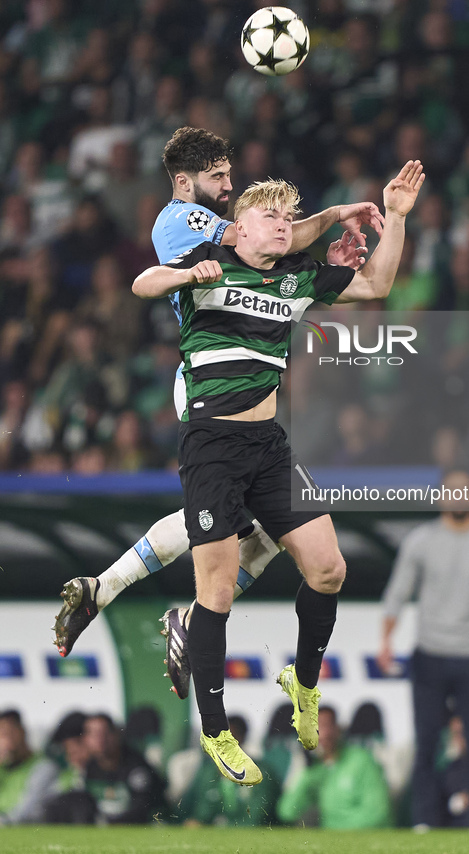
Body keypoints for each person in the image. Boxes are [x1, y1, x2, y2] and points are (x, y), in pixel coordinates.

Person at [53, 126, 385, 702]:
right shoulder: (182, 220)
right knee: (232, 513)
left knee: (256, 523)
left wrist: (326, 229)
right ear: (185, 182)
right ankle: (145, 602)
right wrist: (330, 216)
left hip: (224, 373)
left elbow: (275, 246)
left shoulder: (204, 221)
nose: (230, 186)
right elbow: (266, 241)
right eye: (219, 177)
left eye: (230, 175)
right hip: (211, 382)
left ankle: (106, 589)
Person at [131, 161, 425, 785]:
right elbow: (142, 283)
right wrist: (188, 273)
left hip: (268, 445)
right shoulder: (211, 258)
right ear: (238, 230)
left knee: (328, 568)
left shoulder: (296, 276)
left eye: (289, 219)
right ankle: (216, 731)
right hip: (211, 442)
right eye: (270, 216)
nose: (283, 226)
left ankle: (304, 681)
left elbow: (375, 287)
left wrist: (394, 217)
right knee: (215, 590)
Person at [377, 468, 469, 828]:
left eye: (465, 491)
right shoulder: (421, 541)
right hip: (430, 653)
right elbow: (397, 593)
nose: (458, 497)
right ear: (440, 497)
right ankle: (424, 822)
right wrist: (385, 641)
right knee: (426, 743)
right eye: (451, 491)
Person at [277, 706, 391, 828]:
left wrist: (336, 830)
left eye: (324, 725)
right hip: (331, 839)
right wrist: (307, 774)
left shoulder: (361, 761)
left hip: (360, 837)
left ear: (337, 730)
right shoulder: (314, 770)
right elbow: (287, 812)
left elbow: (378, 813)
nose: (319, 733)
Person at [182, 714, 281, 826]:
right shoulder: (207, 772)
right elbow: (199, 813)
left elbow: (257, 817)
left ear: (241, 738)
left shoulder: (260, 772)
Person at [82, 713, 165, 824]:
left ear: (115, 734)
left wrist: (107, 823)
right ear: (86, 739)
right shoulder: (91, 767)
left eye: (104, 733)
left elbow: (142, 810)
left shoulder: (136, 766)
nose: (100, 740)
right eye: (93, 734)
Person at [0, 710, 58, 825]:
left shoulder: (43, 768)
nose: (5, 740)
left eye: (8, 733)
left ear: (22, 732)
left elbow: (26, 813)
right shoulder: (3, 768)